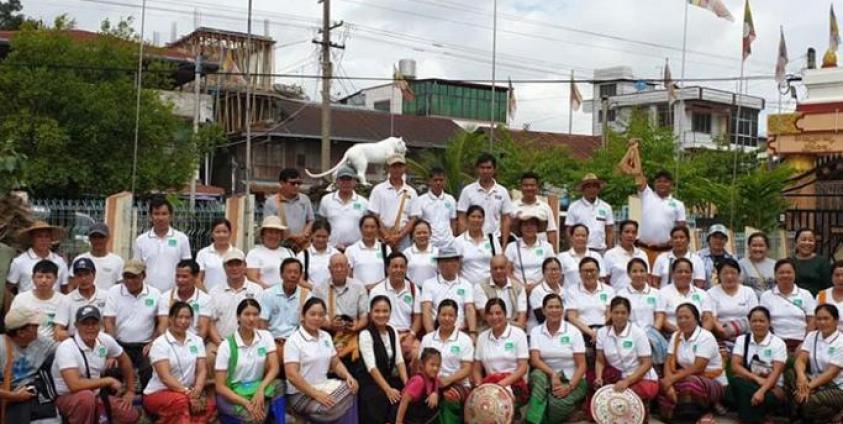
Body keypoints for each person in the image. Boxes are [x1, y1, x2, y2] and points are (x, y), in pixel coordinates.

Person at [52, 305, 139, 423]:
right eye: (85, 324)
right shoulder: (66, 347)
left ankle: (97, 415)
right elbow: (74, 385)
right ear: (76, 325)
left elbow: (124, 360)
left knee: (130, 415)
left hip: (96, 394)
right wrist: (108, 381)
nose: (90, 328)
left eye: (94, 323)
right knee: (86, 398)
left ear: (100, 325)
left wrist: (130, 390)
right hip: (68, 397)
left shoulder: (104, 339)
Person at [284, 297, 359, 423]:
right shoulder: (294, 341)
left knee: (352, 387)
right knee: (329, 407)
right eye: (312, 314)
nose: (317, 318)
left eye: (321, 315)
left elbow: (335, 363)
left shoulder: (326, 337)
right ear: (303, 315)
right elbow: (292, 376)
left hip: (323, 386)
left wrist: (348, 376)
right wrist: (315, 394)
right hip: (300, 394)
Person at [143, 301, 216, 423]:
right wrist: (188, 394)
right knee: (182, 402)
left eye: (187, 318)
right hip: (158, 393)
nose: (183, 321)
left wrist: (197, 392)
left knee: (209, 406)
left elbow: (202, 370)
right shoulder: (160, 344)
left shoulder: (197, 341)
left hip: (188, 393)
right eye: (179, 317)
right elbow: (165, 378)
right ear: (171, 319)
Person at [214, 299, 284, 423]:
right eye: (247, 314)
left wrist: (261, 389)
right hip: (234, 394)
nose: (251, 319)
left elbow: (275, 368)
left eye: (255, 314)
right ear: (238, 317)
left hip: (256, 388)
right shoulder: (226, 345)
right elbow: (220, 387)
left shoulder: (265, 336)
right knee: (254, 418)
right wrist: (246, 403)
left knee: (279, 385)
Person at [658, 303, 727, 423]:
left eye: (687, 317)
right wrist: (668, 383)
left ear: (696, 319)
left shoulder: (705, 337)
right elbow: (668, 361)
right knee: (662, 386)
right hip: (684, 376)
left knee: (689, 384)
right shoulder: (676, 336)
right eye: (679, 318)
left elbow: (698, 367)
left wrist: (672, 379)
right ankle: (700, 414)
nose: (683, 321)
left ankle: (692, 416)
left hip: (712, 381)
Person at [525, 293, 587, 424]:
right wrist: (553, 374)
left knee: (555, 404)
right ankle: (532, 421)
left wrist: (569, 387)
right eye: (550, 307)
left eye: (558, 307)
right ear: (543, 310)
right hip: (546, 377)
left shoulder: (574, 332)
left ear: (562, 310)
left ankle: (539, 419)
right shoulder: (536, 331)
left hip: (572, 379)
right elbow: (535, 360)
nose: (554, 310)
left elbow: (582, 365)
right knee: (536, 376)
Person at [593, 297, 659, 416]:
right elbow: (600, 360)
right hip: (617, 379)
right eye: (616, 312)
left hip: (642, 379)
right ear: (610, 313)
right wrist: (599, 377)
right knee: (602, 405)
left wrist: (627, 381)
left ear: (628, 314)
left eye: (623, 313)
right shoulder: (602, 333)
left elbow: (647, 363)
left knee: (621, 402)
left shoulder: (638, 333)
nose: (619, 316)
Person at [103, 259, 162, 390]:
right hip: (120, 344)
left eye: (134, 277)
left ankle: (146, 400)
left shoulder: (155, 294)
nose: (130, 281)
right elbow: (109, 321)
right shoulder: (114, 291)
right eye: (127, 277)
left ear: (143, 276)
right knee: (111, 369)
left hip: (145, 345)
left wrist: (153, 342)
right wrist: (112, 348)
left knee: (149, 370)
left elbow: (161, 323)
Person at [728, 305, 787, 424]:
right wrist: (756, 379)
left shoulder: (778, 343)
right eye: (754, 321)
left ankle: (746, 418)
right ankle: (759, 418)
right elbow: (735, 366)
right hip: (749, 383)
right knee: (736, 383)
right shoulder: (742, 340)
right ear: (749, 323)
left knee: (748, 395)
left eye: (761, 321)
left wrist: (761, 391)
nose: (758, 324)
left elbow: (776, 372)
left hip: (771, 388)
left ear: (769, 322)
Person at [418, 299, 474, 423]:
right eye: (443, 315)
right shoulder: (427, 339)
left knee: (450, 396)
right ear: (437, 316)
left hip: (457, 383)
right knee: (417, 393)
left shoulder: (464, 340)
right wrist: (431, 385)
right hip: (430, 382)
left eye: (451, 315)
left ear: (456, 318)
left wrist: (448, 380)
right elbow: (420, 367)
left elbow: (467, 369)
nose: (447, 318)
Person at [0, 307, 57, 423]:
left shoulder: (40, 341)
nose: (38, 328)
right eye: (34, 326)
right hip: (9, 397)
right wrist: (14, 396)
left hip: (34, 394)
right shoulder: (1, 347)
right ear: (21, 332)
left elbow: (63, 350)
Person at [358, 295, 408, 423]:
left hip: (387, 378)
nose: (381, 315)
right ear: (370, 313)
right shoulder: (365, 334)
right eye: (377, 311)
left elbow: (399, 360)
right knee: (381, 399)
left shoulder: (392, 331)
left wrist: (407, 384)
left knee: (407, 396)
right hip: (370, 382)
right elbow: (371, 367)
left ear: (390, 313)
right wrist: (388, 390)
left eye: (385, 311)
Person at [472, 299, 529, 409]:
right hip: (489, 384)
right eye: (490, 314)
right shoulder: (482, 337)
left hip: (514, 384)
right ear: (486, 316)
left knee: (498, 405)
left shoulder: (518, 334)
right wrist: (479, 386)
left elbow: (523, 368)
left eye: (498, 313)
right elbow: (476, 369)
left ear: (505, 314)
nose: (494, 317)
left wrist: (500, 385)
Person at [792, 304, 843, 423]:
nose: (822, 322)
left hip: (837, 386)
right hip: (815, 381)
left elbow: (832, 373)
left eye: (826, 318)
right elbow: (801, 359)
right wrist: (801, 376)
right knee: (790, 376)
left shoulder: (841, 341)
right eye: (819, 319)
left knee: (811, 401)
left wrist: (807, 387)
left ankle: (835, 415)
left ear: (836, 320)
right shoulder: (812, 336)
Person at [313, 254, 368, 363]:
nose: (339, 269)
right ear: (329, 269)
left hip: (351, 333)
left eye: (342, 266)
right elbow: (314, 315)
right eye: (335, 266)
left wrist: (356, 327)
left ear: (348, 268)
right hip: (327, 333)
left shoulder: (358, 286)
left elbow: (364, 316)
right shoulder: (319, 288)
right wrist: (330, 325)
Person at [629, 166, 687, 267]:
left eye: (665, 181)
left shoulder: (678, 204)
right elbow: (639, 177)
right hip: (643, 249)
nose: (662, 184)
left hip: (666, 251)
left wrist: (667, 244)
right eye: (659, 181)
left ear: (671, 184)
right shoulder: (647, 195)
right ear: (654, 184)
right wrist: (635, 158)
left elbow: (681, 228)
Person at [369, 252, 422, 361]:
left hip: (407, 334)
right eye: (395, 266)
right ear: (387, 269)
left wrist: (410, 337)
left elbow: (418, 317)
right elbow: (372, 318)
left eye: (402, 267)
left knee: (418, 354)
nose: (399, 270)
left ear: (406, 269)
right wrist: (393, 337)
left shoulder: (413, 288)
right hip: (383, 334)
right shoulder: (377, 291)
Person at [133, 195, 192, 293]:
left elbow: (188, 268)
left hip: (174, 293)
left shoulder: (182, 239)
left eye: (164, 214)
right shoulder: (141, 240)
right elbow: (137, 268)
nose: (160, 218)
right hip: (147, 293)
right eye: (156, 214)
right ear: (150, 217)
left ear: (171, 216)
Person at [259, 258, 312, 365]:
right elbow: (262, 324)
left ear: (300, 275)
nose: (292, 275)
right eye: (289, 272)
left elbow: (309, 326)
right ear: (281, 274)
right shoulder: (268, 294)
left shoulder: (306, 296)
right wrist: (269, 345)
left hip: (296, 344)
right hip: (273, 342)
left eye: (296, 272)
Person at [208, 250, 264, 347]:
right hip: (221, 342)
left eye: (238, 264)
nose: (234, 268)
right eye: (230, 265)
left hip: (251, 343)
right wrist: (222, 345)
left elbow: (260, 321)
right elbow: (210, 323)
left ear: (245, 266)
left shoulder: (257, 290)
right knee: (209, 354)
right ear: (224, 267)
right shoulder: (214, 292)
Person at [759, 258, 816, 352]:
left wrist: (805, 343)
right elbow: (763, 321)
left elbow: (812, 321)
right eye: (781, 273)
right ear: (775, 275)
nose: (785, 275)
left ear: (794, 274)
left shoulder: (805, 294)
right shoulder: (766, 296)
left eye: (789, 272)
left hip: (801, 341)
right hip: (775, 341)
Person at [457, 152, 514, 245]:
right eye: (482, 168)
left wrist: (504, 245)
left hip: (495, 240)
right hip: (472, 241)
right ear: (477, 169)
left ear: (494, 170)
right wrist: (463, 243)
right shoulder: (467, 191)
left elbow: (506, 220)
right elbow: (462, 218)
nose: (485, 171)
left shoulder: (502, 191)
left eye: (488, 168)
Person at [420, 246, 477, 337]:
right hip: (437, 332)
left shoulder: (466, 284)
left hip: (461, 332)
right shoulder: (428, 284)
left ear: (458, 263)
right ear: (439, 264)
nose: (449, 264)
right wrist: (431, 335)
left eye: (453, 260)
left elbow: (469, 309)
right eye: (446, 261)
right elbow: (427, 310)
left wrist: (472, 333)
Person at [621, 258, 668, 367]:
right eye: (634, 271)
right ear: (628, 274)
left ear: (647, 273)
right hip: (630, 336)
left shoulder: (656, 293)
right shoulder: (621, 294)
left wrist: (651, 335)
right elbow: (621, 318)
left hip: (651, 337)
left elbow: (659, 316)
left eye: (642, 271)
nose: (638, 274)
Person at [368, 153, 418, 250]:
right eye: (394, 166)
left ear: (405, 168)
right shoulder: (378, 190)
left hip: (403, 241)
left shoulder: (411, 192)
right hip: (382, 239)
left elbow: (413, 218)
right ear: (388, 168)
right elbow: (374, 215)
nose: (397, 169)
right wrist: (387, 236)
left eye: (400, 166)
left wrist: (399, 237)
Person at [565, 257, 615, 354]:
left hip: (604, 332)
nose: (589, 274)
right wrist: (592, 333)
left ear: (599, 272)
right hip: (581, 332)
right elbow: (572, 317)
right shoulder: (572, 290)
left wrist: (601, 333)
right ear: (579, 273)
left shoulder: (609, 290)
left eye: (592, 270)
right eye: (585, 271)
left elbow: (609, 315)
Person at [707, 258, 759, 348]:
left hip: (747, 334)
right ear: (719, 275)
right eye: (725, 273)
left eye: (733, 273)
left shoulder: (748, 291)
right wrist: (724, 332)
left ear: (739, 274)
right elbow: (713, 319)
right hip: (722, 336)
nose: (729, 276)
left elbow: (755, 315)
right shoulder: (711, 293)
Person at [9, 259, 65, 340]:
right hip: (25, 341)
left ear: (56, 279)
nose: (43, 280)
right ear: (33, 278)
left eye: (48, 277)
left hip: (53, 343)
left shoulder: (63, 300)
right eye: (40, 276)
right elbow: (12, 325)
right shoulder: (20, 299)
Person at [157, 259, 213, 340]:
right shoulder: (165, 297)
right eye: (177, 276)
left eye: (184, 276)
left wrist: (190, 345)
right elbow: (163, 328)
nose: (180, 280)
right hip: (170, 341)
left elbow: (202, 331)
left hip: (194, 342)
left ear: (196, 277)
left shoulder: (205, 299)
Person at [7, 220, 69, 293]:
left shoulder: (60, 262)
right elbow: (8, 287)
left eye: (47, 236)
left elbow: (64, 288)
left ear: (51, 239)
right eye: (39, 236)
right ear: (32, 239)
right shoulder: (19, 262)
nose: (43, 240)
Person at [54, 257, 107, 341]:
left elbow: (110, 324)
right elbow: (58, 330)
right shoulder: (66, 300)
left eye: (86, 274)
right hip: (76, 342)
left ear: (94, 274)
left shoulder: (106, 296)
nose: (83, 279)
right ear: (74, 277)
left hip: (101, 341)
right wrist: (73, 336)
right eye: (79, 275)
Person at [317, 165, 369, 251]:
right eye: (342, 179)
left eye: (349, 179)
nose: (345, 183)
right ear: (337, 181)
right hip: (332, 249)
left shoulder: (363, 202)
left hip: (356, 250)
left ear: (355, 182)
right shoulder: (326, 200)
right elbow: (321, 224)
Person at [262, 168, 314, 251]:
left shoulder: (305, 200)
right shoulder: (271, 202)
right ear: (282, 183)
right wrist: (292, 237)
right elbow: (269, 226)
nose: (296, 186)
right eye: (292, 183)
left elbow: (311, 220)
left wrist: (304, 234)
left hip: (302, 245)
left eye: (299, 183)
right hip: (281, 246)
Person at [660, 258, 713, 334]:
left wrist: (700, 335)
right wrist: (682, 334)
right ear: (673, 273)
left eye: (687, 272)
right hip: (672, 334)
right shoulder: (663, 293)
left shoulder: (702, 294)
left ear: (692, 274)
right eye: (680, 271)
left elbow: (708, 318)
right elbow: (662, 319)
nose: (683, 274)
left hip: (699, 335)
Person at [564, 173, 614, 254]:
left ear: (598, 189)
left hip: (600, 249)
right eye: (588, 187)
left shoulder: (606, 207)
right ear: (583, 189)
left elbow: (609, 231)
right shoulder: (574, 207)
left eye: (595, 186)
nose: (592, 189)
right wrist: (572, 248)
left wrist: (609, 250)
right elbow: (569, 230)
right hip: (580, 249)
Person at [474, 255, 527, 331]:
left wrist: (511, 325)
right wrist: (511, 323)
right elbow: (485, 316)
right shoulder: (480, 286)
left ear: (508, 269)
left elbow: (521, 321)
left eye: (501, 268)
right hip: (488, 329)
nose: (498, 271)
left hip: (514, 330)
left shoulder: (519, 287)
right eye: (495, 268)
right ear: (490, 270)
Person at [409, 167, 457, 249]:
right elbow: (416, 223)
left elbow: (453, 222)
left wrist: (453, 237)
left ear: (445, 181)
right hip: (429, 244)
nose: (438, 183)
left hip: (449, 243)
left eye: (441, 180)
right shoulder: (420, 200)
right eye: (435, 180)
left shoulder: (450, 199)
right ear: (429, 181)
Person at [505, 210, 554, 289]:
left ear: (537, 227)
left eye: (532, 224)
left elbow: (551, 271)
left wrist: (535, 287)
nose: (529, 227)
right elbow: (507, 272)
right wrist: (522, 286)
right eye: (525, 224)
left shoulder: (547, 247)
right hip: (517, 289)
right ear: (520, 228)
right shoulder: (511, 247)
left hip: (542, 289)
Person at [453, 205, 501, 285]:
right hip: (467, 286)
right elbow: (456, 268)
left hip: (489, 286)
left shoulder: (492, 239)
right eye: (473, 216)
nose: (476, 220)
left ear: (483, 220)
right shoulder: (458, 241)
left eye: (479, 217)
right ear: (467, 219)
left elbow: (499, 262)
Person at [511, 172, 558, 251]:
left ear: (537, 187)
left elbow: (551, 231)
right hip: (518, 250)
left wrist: (554, 251)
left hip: (540, 250)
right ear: (521, 187)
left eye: (532, 185)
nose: (529, 188)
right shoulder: (512, 207)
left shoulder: (545, 207)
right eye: (526, 185)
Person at [71, 222, 124, 291]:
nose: (98, 240)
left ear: (108, 238)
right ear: (89, 238)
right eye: (94, 237)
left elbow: (121, 287)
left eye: (101, 237)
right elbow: (71, 285)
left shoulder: (117, 261)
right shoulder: (80, 259)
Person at [246, 215, 295, 289]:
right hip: (264, 293)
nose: (274, 236)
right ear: (263, 235)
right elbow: (252, 279)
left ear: (281, 235)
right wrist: (272, 292)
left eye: (277, 233)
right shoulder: (254, 253)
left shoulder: (289, 252)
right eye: (270, 232)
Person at [196, 218, 243, 292]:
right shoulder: (203, 253)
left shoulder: (238, 253)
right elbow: (197, 279)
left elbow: (242, 278)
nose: (221, 235)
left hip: (232, 295)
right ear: (212, 234)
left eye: (225, 232)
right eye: (217, 232)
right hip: (208, 295)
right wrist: (207, 296)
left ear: (230, 233)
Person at [396, 347, 441, 424]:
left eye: (438, 365)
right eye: (432, 365)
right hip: (406, 417)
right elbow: (404, 400)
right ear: (422, 364)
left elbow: (435, 390)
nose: (435, 368)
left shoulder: (434, 379)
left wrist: (435, 394)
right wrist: (398, 422)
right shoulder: (419, 381)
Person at [345, 214, 391, 287]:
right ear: (360, 229)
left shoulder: (385, 249)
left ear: (378, 229)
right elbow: (348, 276)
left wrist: (375, 286)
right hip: (359, 291)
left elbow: (391, 273)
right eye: (366, 227)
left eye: (372, 227)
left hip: (381, 290)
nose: (369, 230)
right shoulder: (351, 250)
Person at [603, 220, 648, 292]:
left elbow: (646, 278)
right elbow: (605, 280)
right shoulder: (610, 254)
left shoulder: (642, 254)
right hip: (617, 295)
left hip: (639, 295)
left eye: (633, 232)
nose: (630, 235)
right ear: (620, 234)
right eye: (627, 232)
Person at [297, 219, 340, 288]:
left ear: (329, 236)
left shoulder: (336, 254)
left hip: (332, 292)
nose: (321, 239)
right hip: (310, 292)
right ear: (312, 235)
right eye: (318, 236)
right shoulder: (303, 255)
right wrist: (315, 289)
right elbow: (299, 280)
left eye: (324, 237)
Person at [527, 257, 566, 332]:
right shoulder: (537, 291)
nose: (553, 273)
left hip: (561, 331)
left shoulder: (564, 291)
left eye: (556, 269)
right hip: (539, 331)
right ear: (543, 272)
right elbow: (541, 318)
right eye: (550, 270)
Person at [792, 228, 832, 296]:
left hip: (817, 300)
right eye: (803, 240)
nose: (807, 243)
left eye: (810, 240)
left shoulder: (822, 262)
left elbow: (828, 287)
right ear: (796, 242)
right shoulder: (790, 262)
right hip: (793, 300)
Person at [697, 224, 736, 289]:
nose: (718, 240)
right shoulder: (699, 257)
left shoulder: (732, 258)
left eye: (722, 238)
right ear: (709, 239)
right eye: (715, 237)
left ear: (726, 240)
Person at [402, 220, 439, 288]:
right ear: (413, 235)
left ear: (430, 233)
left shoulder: (437, 252)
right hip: (412, 290)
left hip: (433, 289)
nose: (422, 235)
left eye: (425, 232)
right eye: (418, 233)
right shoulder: (406, 253)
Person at [739, 232, 777, 296]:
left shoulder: (775, 264)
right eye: (754, 245)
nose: (757, 249)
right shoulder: (741, 264)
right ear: (748, 247)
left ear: (767, 247)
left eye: (761, 246)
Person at [817, 261, 843, 331]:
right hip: (826, 335)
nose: (840, 279)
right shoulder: (822, 295)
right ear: (831, 276)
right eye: (837, 275)